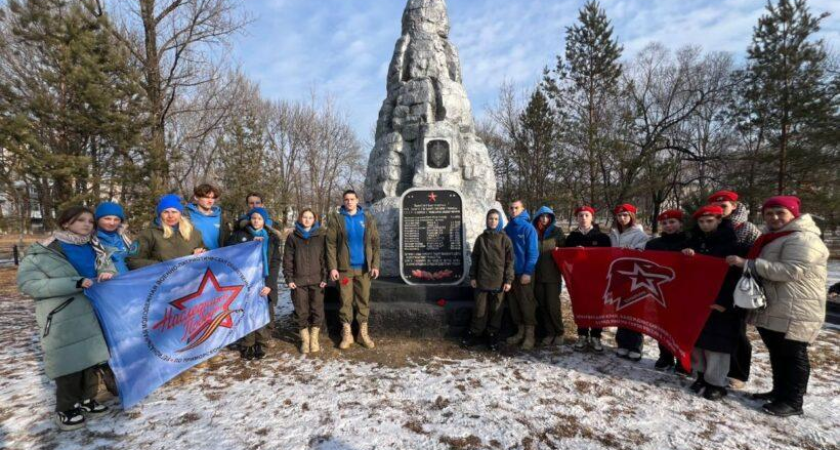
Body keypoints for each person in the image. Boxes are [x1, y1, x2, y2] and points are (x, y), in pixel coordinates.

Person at [726, 196, 829, 417]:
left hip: (798, 307)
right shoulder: (774, 237)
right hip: (777, 304)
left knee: (793, 354)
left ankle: (793, 401)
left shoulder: (803, 239)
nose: (774, 217)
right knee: (777, 351)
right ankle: (779, 391)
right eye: (769, 213)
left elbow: (790, 271)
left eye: (780, 212)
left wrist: (747, 264)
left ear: (794, 214)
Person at [17, 206, 117, 431]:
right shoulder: (43, 251)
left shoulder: (96, 247)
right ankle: (66, 407)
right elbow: (28, 284)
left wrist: (108, 273)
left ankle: (87, 400)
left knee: (91, 358)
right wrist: (73, 283)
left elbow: (107, 267)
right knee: (69, 363)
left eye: (91, 221)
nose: (87, 225)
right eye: (80, 220)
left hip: (92, 310)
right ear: (66, 223)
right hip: (63, 313)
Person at [681, 205, 742, 401]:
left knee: (716, 343)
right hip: (696, 298)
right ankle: (699, 375)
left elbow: (734, 276)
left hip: (720, 301)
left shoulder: (731, 243)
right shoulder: (694, 241)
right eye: (701, 221)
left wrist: (724, 301)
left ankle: (715, 382)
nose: (705, 225)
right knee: (697, 339)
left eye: (710, 221)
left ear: (718, 220)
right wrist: (686, 257)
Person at [708, 190, 761, 386]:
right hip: (715, 283)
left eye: (724, 206)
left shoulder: (747, 229)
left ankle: (738, 373)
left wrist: (743, 262)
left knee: (737, 330)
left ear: (734, 206)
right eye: (717, 207)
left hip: (737, 284)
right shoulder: (713, 225)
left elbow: (757, 257)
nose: (721, 210)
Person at [326, 190, 381, 350]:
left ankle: (363, 333)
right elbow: (330, 244)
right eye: (346, 199)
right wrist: (333, 267)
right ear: (343, 201)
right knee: (345, 301)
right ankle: (347, 333)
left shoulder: (367, 218)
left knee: (363, 300)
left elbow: (376, 243)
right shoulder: (337, 218)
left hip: (364, 268)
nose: (349, 202)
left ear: (357, 200)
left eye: (352, 199)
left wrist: (375, 265)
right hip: (344, 269)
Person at [227, 207, 282, 360]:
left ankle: (261, 343)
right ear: (250, 219)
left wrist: (270, 284)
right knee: (246, 313)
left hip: (264, 280)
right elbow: (230, 254)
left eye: (260, 219)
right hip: (246, 280)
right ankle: (247, 344)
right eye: (254, 218)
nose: (256, 221)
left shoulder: (271, 238)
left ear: (265, 221)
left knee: (261, 313)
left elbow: (275, 262)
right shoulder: (240, 235)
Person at [463, 209, 514, 351]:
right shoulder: (481, 239)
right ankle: (474, 333)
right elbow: (475, 258)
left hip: (499, 283)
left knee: (496, 311)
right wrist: (472, 276)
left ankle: (492, 335)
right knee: (480, 310)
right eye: (491, 218)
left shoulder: (505, 240)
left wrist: (508, 280)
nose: (493, 221)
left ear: (500, 221)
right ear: (487, 220)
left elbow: (510, 262)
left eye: (496, 219)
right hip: (482, 281)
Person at [644, 209, 689, 371]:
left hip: (683, 291)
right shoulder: (653, 244)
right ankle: (665, 356)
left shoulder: (689, 242)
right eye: (665, 223)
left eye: (672, 222)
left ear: (680, 224)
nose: (668, 226)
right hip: (660, 291)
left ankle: (682, 359)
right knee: (662, 324)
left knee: (682, 327)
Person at [565, 206, 612, 352]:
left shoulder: (602, 237)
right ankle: (583, 334)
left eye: (586, 215)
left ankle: (596, 336)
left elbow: (608, 258)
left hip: (597, 278)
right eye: (580, 216)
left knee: (597, 306)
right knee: (581, 305)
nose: (583, 218)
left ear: (592, 217)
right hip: (578, 278)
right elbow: (565, 258)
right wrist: (573, 253)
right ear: (577, 218)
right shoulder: (572, 237)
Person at [283, 208, 328, 354]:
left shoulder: (321, 236)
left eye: (310, 217)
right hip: (298, 281)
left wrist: (325, 276)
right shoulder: (292, 237)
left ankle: (314, 338)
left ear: (314, 219)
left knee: (317, 309)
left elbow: (325, 258)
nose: (307, 220)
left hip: (317, 280)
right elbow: (288, 260)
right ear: (300, 218)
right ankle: (305, 339)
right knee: (301, 311)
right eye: (305, 217)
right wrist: (289, 278)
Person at [610, 203, 650, 361]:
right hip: (618, 277)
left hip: (634, 278)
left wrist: (634, 249)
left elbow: (646, 249)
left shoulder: (640, 234)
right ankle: (622, 344)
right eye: (619, 216)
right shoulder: (613, 234)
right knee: (621, 311)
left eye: (625, 215)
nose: (622, 218)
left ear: (632, 216)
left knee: (635, 311)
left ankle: (635, 346)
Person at [127, 194, 206, 269]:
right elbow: (133, 261)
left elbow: (207, 253)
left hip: (189, 278)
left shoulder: (193, 232)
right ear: (160, 214)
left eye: (174, 212)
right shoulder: (149, 234)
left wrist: (201, 253)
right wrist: (159, 266)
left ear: (180, 214)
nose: (170, 216)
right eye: (166, 212)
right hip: (162, 279)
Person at [503, 200, 539, 350]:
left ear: (522, 209)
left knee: (526, 304)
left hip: (524, 273)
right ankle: (520, 332)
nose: (513, 210)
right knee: (514, 304)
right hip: (511, 274)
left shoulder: (528, 228)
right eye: (511, 208)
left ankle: (530, 335)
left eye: (516, 208)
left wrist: (528, 272)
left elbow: (533, 252)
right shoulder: (508, 228)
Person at [532, 206, 566, 347]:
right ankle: (550, 332)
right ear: (538, 217)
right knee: (542, 305)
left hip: (552, 275)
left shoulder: (556, 231)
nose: (544, 219)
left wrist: (544, 245)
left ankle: (559, 332)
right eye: (542, 216)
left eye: (547, 216)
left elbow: (563, 245)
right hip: (537, 275)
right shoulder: (533, 231)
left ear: (551, 218)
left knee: (553, 305)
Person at [185, 183, 230, 251]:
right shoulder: (186, 215)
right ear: (196, 197)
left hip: (218, 258)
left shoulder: (221, 217)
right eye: (206, 197)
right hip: (195, 259)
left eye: (212, 198)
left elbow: (227, 241)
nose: (210, 201)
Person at [94, 201, 136, 275]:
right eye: (107, 219)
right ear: (98, 219)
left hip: (129, 280)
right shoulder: (92, 240)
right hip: (107, 283)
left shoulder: (124, 237)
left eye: (116, 219)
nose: (112, 223)